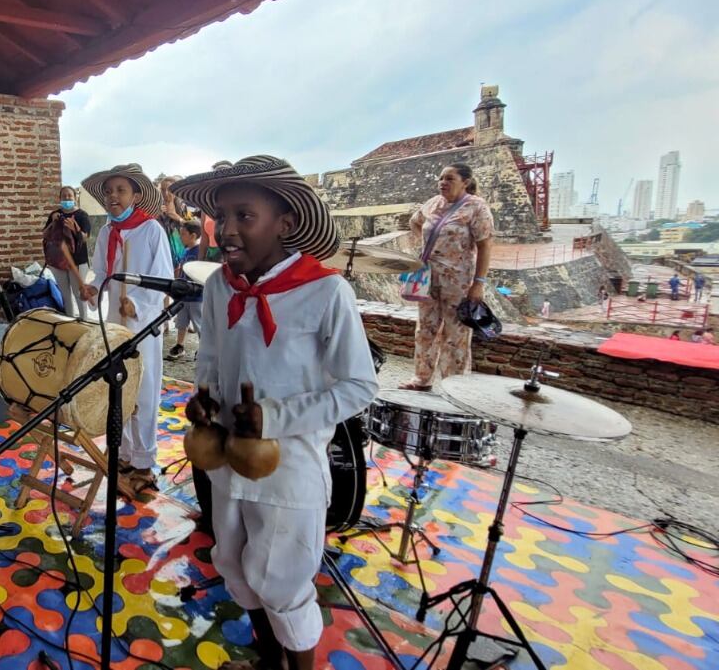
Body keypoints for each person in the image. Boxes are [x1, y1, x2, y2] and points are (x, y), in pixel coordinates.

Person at [174, 155, 377, 670]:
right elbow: (211, 360)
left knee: (282, 582)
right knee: (235, 568)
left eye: (245, 216)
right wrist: (205, 398)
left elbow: (358, 387)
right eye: (222, 217)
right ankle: (270, 659)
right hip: (228, 463)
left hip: (290, 473)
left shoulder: (327, 291)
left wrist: (273, 418)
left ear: (285, 224)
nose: (226, 231)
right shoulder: (220, 285)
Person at [79, 163, 172, 500]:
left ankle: (145, 462)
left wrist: (138, 303)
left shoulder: (151, 230)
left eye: (120, 190)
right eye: (109, 191)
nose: (113, 196)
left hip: (141, 322)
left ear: (135, 195)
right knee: (121, 387)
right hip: (116, 322)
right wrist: (92, 289)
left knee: (144, 389)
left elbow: (162, 278)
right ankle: (127, 455)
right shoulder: (106, 232)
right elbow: (101, 271)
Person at [400, 163, 495, 391]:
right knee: (425, 329)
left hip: (458, 279)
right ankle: (422, 378)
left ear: (465, 182)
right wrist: (429, 247)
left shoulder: (476, 207)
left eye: (450, 178)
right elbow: (415, 222)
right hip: (428, 277)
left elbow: (485, 246)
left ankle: (453, 385)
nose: (443, 182)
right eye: (441, 178)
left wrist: (478, 284)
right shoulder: (434, 203)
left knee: (455, 333)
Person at [42, 186, 92, 320]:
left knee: (79, 293)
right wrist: (53, 221)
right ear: (60, 198)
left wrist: (75, 228)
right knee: (65, 294)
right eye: (64, 196)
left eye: (69, 195)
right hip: (58, 262)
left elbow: (86, 237)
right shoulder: (55, 215)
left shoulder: (82, 215)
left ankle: (84, 321)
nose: (67, 198)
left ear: (74, 198)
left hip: (77, 262)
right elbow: (45, 234)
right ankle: (69, 321)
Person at [167, 220, 203, 360]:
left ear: (193, 236)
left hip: (196, 297)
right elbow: (181, 271)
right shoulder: (186, 251)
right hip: (183, 296)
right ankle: (179, 345)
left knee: (199, 323)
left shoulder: (200, 251)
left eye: (183, 234)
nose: (181, 237)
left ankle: (204, 348)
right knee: (181, 322)